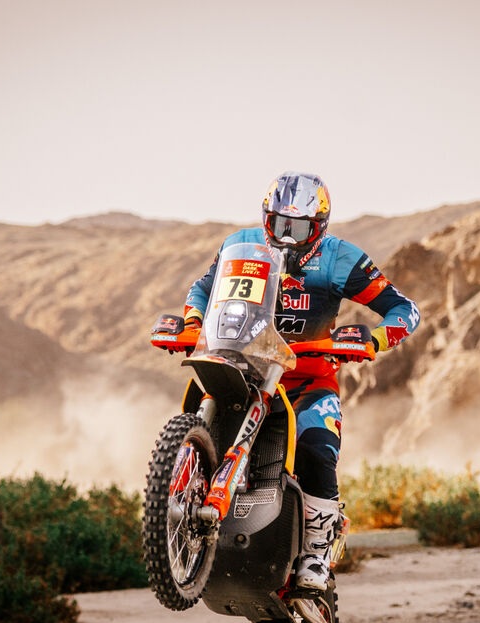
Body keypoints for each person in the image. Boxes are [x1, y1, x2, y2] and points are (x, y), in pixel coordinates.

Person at [178, 172, 420, 592]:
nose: (287, 237)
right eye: (279, 224)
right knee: (198, 415)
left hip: (308, 379)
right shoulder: (241, 245)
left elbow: (404, 309)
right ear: (266, 218)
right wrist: (192, 322)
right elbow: (203, 289)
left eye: (300, 228)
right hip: (241, 367)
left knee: (316, 447)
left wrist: (373, 339)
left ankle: (316, 554)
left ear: (319, 227)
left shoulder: (341, 258)